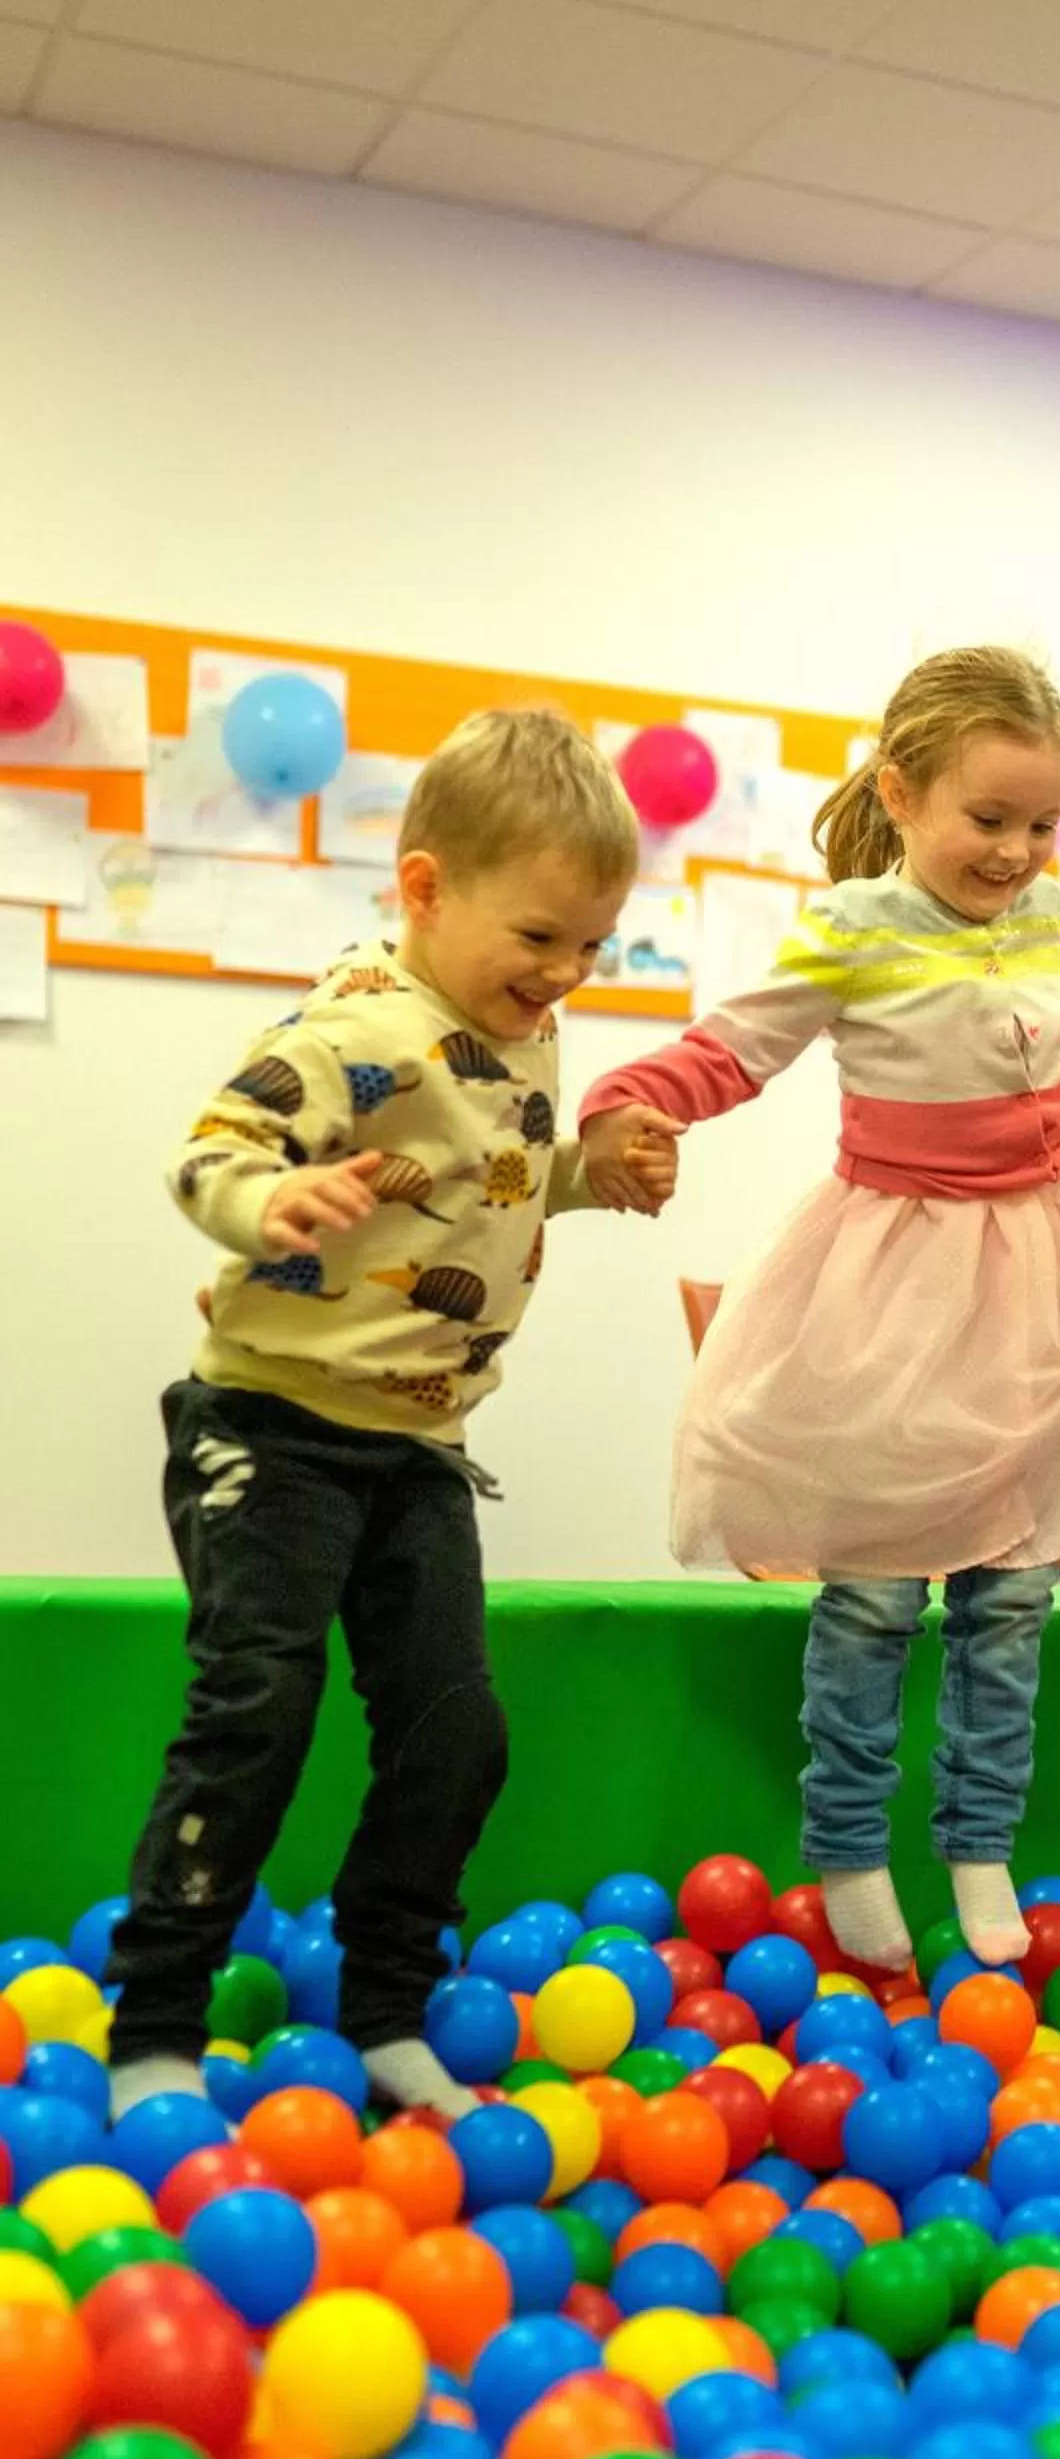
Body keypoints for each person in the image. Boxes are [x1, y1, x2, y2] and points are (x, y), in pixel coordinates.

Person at [580, 645, 1060, 1974]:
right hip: (897, 1291)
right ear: (901, 793)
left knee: (1013, 1592)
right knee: (877, 1596)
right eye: (988, 820)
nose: (1015, 851)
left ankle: (980, 1838)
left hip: (1038, 1286)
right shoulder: (854, 932)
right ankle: (849, 1841)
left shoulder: (1042, 920)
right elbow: (732, 1048)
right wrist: (628, 1105)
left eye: (1042, 824)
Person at [107, 709, 678, 2119]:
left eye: (592, 947)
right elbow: (209, 1157)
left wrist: (596, 1175)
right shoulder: (353, 1029)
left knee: (455, 1732)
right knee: (259, 1703)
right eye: (540, 938)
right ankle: (157, 2025)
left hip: (418, 1448)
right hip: (269, 1430)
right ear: (427, 889)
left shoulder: (514, 1028)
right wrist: (272, 1199)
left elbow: (491, 1180)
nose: (564, 976)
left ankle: (383, 2009)